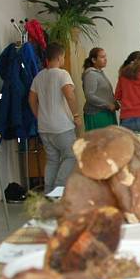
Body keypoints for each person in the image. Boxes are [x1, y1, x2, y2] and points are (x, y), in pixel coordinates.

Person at [28, 43, 80, 194]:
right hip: (62, 126)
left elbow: (31, 100)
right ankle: (58, 190)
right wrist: (76, 115)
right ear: (59, 57)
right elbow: (69, 95)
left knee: (52, 160)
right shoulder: (62, 74)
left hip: (44, 127)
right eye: (63, 57)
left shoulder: (39, 76)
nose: (63, 59)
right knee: (71, 156)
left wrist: (39, 115)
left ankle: (48, 192)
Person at [81, 47, 118, 131]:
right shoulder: (91, 74)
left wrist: (115, 102)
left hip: (106, 112)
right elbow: (90, 95)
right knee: (100, 142)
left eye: (105, 57)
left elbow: (105, 93)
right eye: (102, 57)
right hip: (97, 114)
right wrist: (108, 105)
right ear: (94, 60)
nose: (105, 59)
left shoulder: (100, 73)